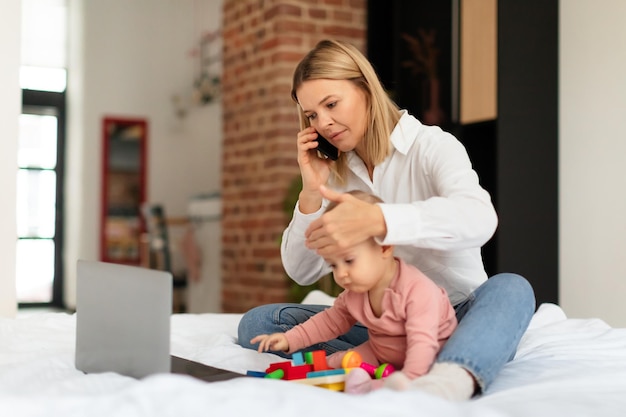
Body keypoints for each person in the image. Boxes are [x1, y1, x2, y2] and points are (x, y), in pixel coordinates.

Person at [237, 39, 536, 400]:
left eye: (331, 104)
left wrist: (379, 219)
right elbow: (302, 272)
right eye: (312, 115)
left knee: (512, 290)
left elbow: (479, 218)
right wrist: (312, 190)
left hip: (454, 321)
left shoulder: (431, 146)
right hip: (383, 329)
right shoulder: (337, 175)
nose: (324, 122)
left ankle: (447, 379)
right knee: (259, 323)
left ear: (365, 87)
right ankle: (375, 363)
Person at [250, 190, 457, 392]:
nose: (341, 274)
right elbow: (329, 321)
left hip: (430, 356)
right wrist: (290, 339)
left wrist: (410, 379)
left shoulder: (417, 291)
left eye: (349, 261)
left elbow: (423, 344)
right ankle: (363, 380)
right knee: (337, 362)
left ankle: (391, 384)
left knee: (419, 371)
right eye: (334, 266)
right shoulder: (355, 293)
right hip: (381, 354)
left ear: (384, 247)